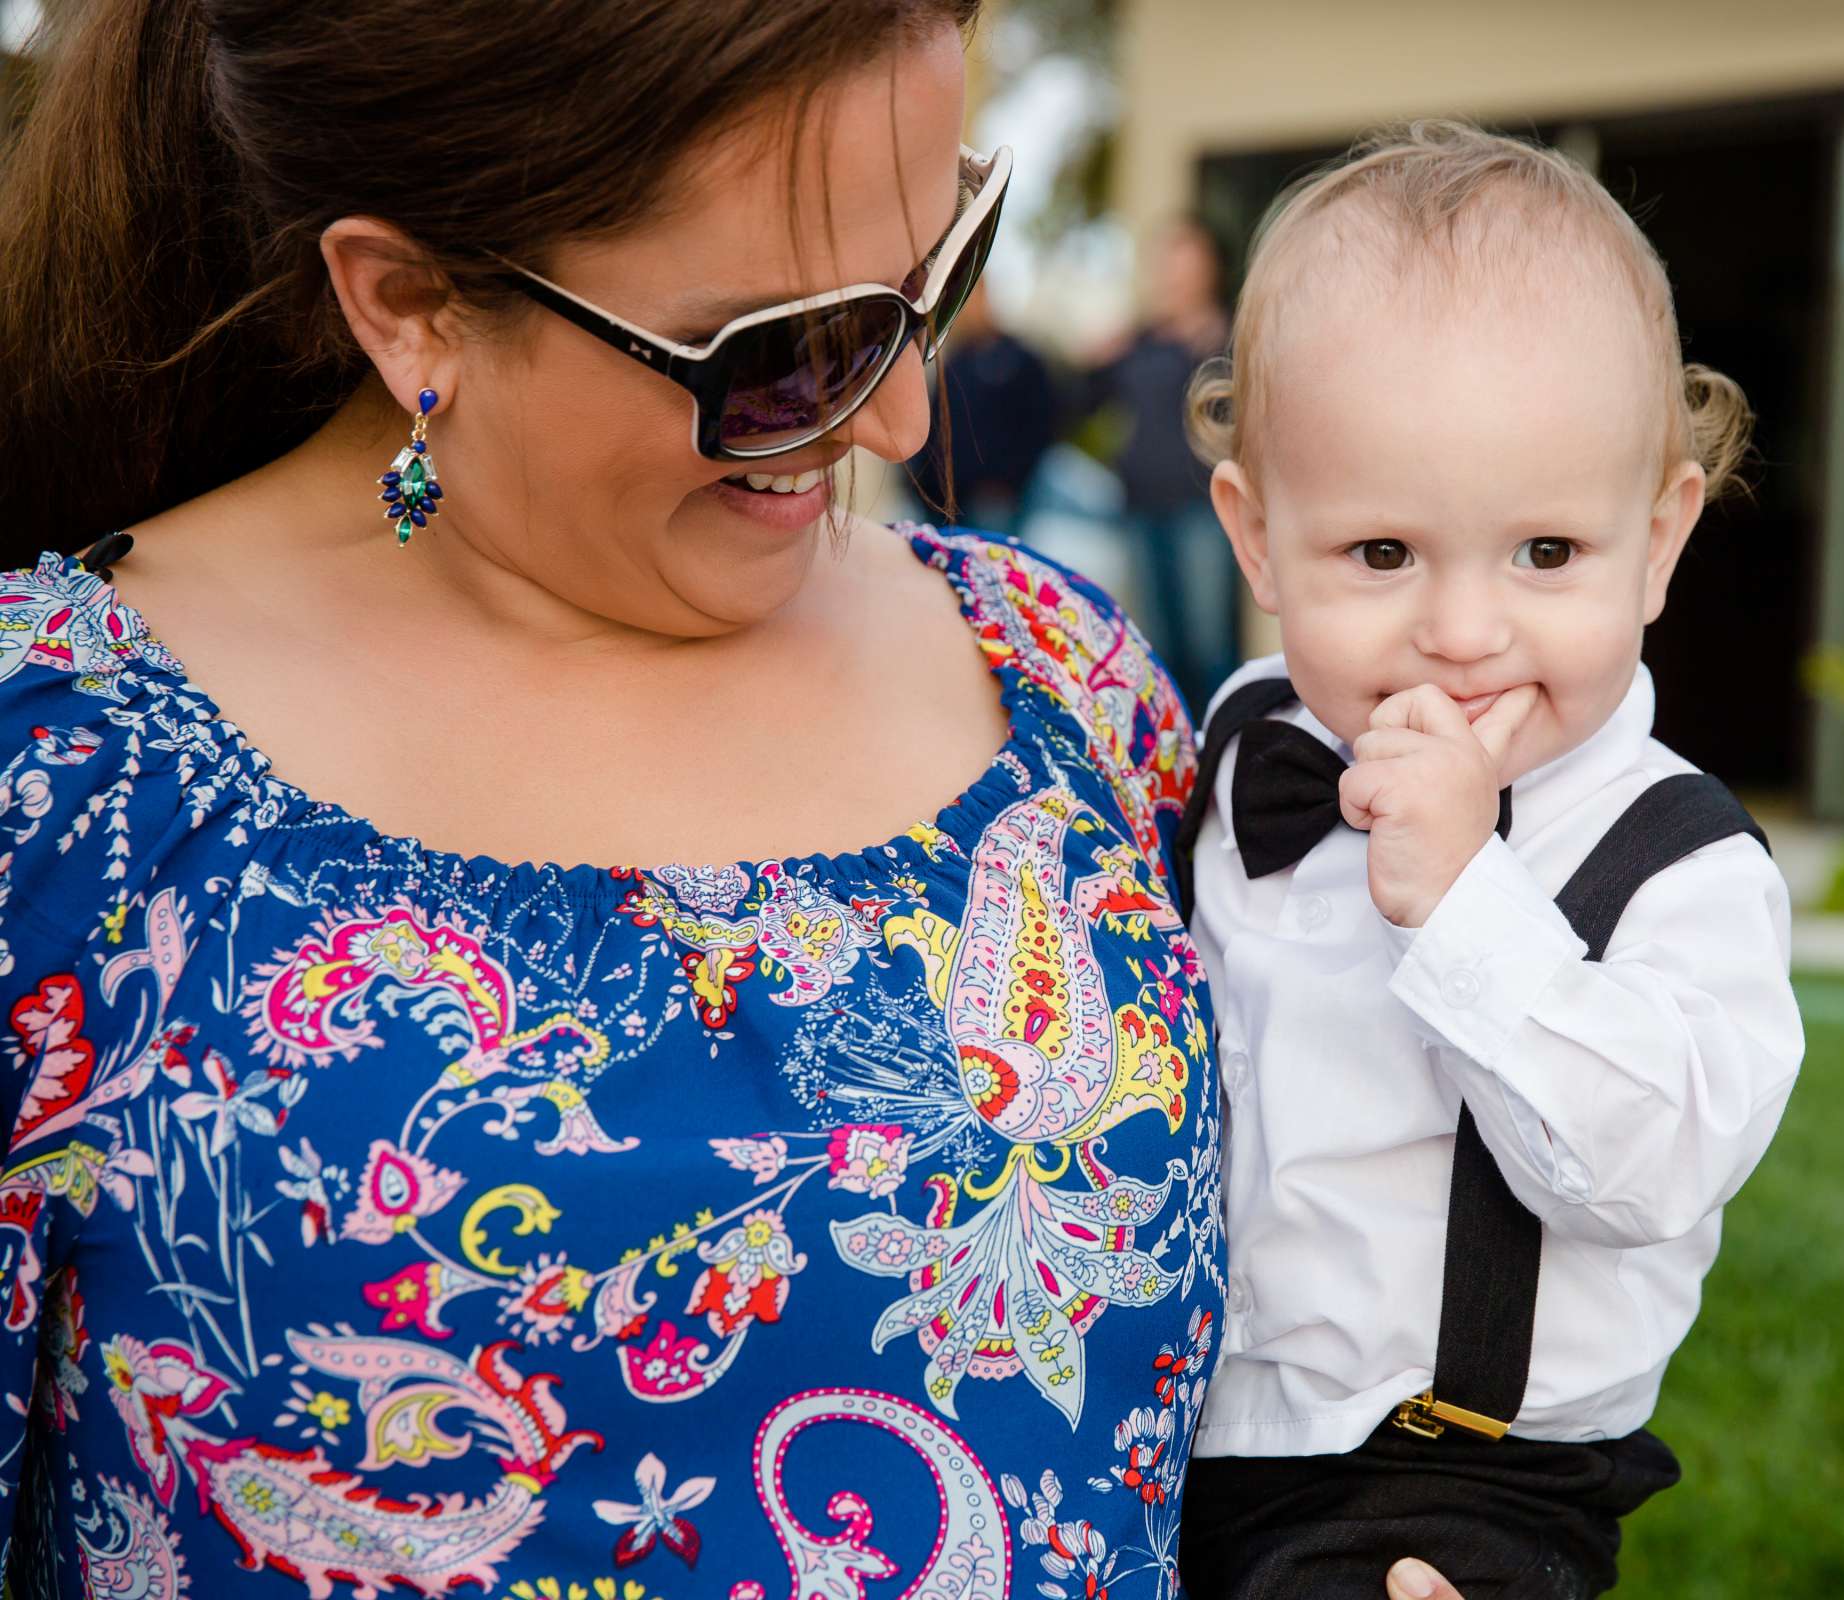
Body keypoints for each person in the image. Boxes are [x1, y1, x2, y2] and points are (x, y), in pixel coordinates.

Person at [0, 3, 1240, 1593]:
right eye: (785, 351)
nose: (899, 421)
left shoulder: (1067, 678)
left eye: (936, 272)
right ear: (410, 304)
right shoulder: (63, 779)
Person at [1172, 121, 1808, 1597]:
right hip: (1181, 1432)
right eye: (1382, 554)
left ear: (1657, 544)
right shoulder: (1240, 737)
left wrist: (1468, 905)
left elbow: (1651, 1167)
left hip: (1457, 1483)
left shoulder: (1680, 862)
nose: (1463, 633)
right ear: (1258, 541)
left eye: (1545, 555)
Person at [1078, 216, 1240, 702]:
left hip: (1203, 509)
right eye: (1163, 262)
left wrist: (1216, 341)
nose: (1170, 274)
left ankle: (1224, 750)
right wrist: (1096, 359)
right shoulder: (1138, 343)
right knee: (1161, 648)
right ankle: (1182, 760)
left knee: (1208, 644)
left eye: (1182, 261)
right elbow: (1080, 405)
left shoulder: (1228, 340)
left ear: (1207, 269)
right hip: (1140, 508)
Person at [906, 280, 1059, 536]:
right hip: (944, 503)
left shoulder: (1020, 361)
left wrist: (1007, 481)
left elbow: (1042, 426)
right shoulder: (956, 361)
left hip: (995, 502)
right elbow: (934, 428)